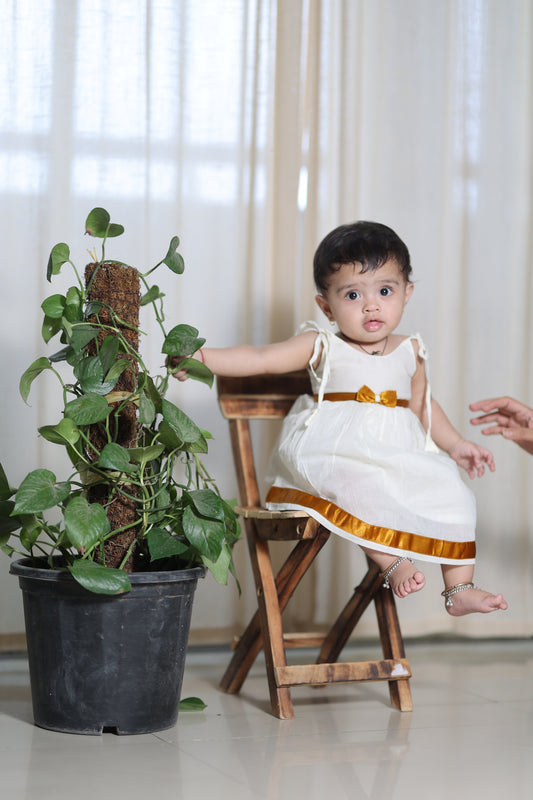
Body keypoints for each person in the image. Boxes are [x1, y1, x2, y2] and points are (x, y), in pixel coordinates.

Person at [171, 221, 507, 616]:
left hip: (396, 454)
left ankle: (458, 588)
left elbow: (423, 405)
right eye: (352, 294)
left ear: (406, 293)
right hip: (334, 450)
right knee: (354, 482)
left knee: (453, 491)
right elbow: (261, 357)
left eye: (385, 290)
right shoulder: (321, 343)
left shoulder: (410, 349)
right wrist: (204, 359)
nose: (371, 305)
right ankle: (392, 562)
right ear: (326, 305)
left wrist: (457, 445)